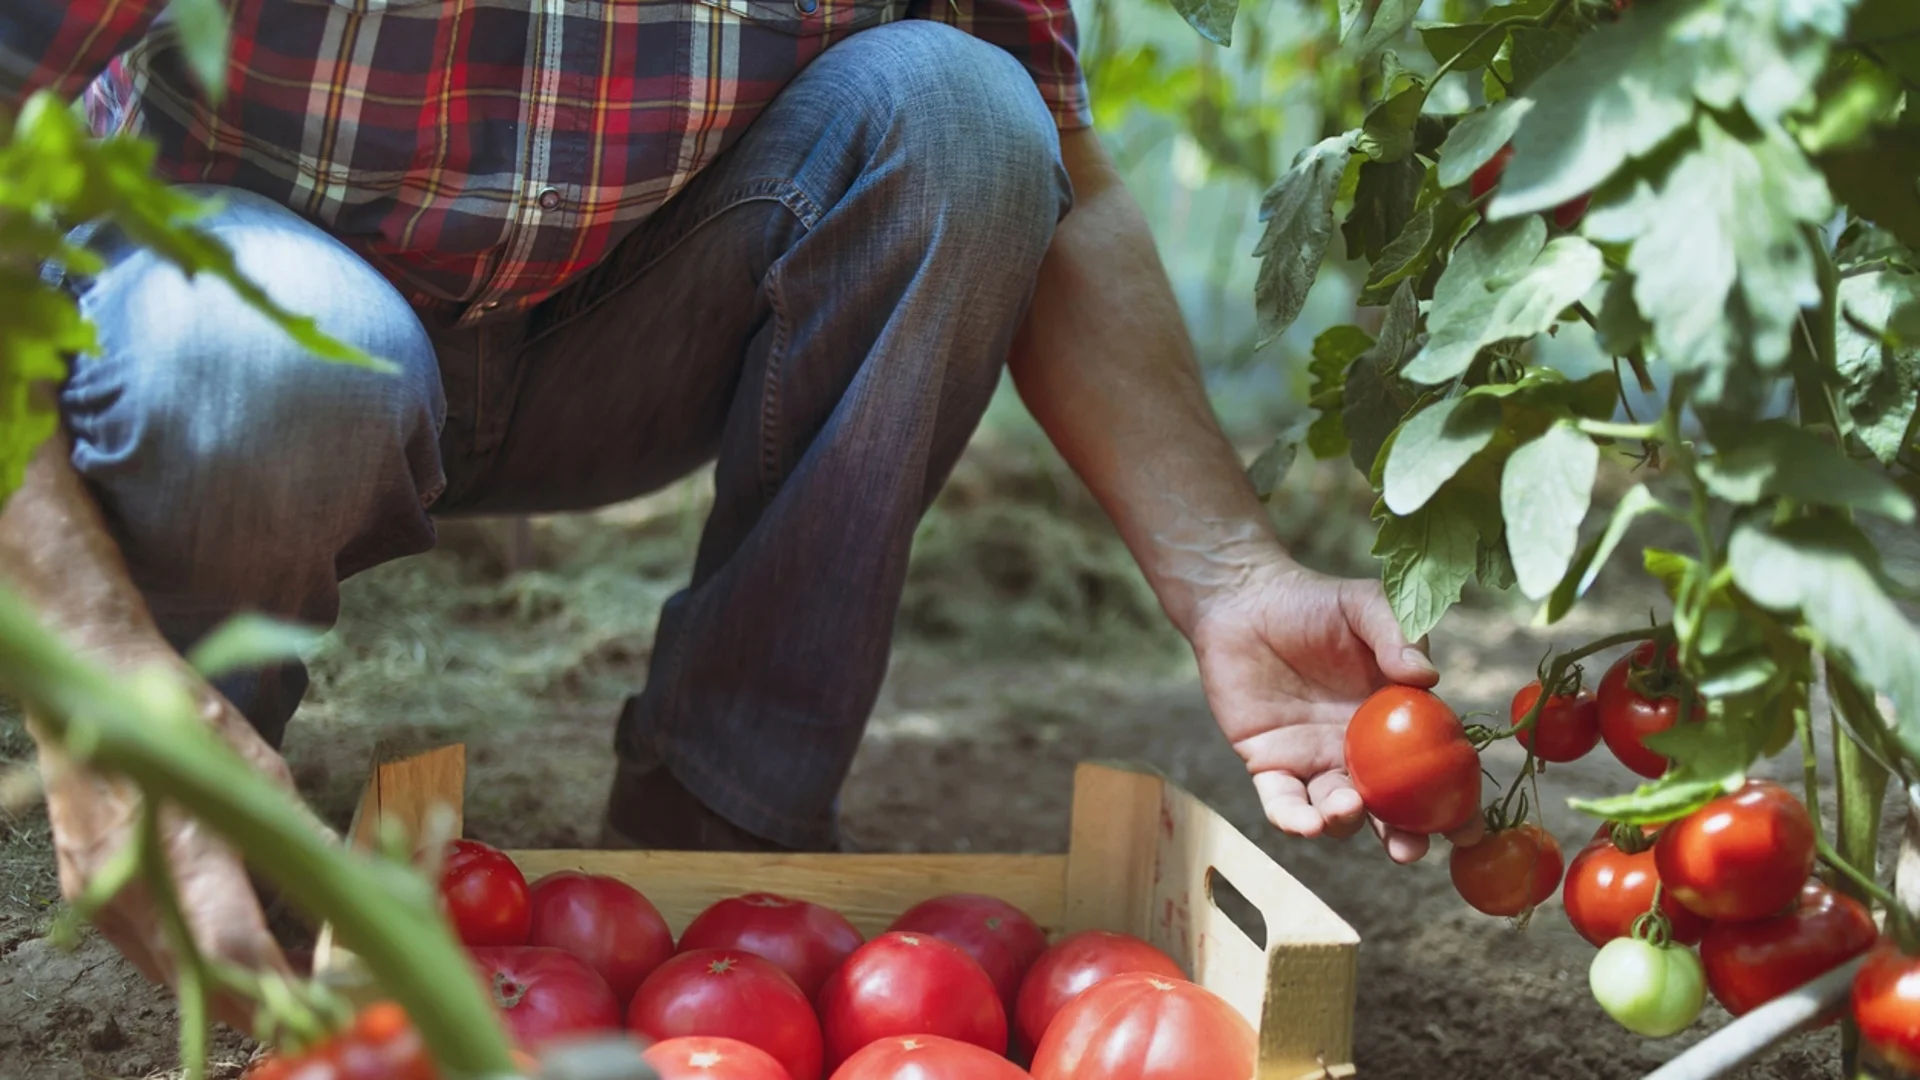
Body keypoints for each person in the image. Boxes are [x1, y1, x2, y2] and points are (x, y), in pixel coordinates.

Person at [0, 0, 1478, 1019]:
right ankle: (195, 779)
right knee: (257, 365)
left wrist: (1226, 569)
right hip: (242, 328)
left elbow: (1062, 183)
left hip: (622, 321)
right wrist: (104, 687)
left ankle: (729, 839)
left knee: (964, 118)